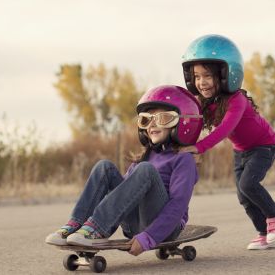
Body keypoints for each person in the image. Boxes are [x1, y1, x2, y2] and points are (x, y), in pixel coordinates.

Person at [45, 85, 203, 256]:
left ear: (184, 121)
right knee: (104, 167)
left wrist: (148, 238)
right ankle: (77, 224)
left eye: (162, 118)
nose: (151, 125)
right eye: (146, 119)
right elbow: (124, 195)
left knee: (146, 170)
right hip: (133, 225)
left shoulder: (183, 159)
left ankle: (97, 228)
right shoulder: (146, 156)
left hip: (166, 228)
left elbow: (177, 206)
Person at [180, 34, 275, 250]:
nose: (201, 82)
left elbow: (224, 129)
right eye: (197, 76)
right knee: (243, 196)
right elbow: (193, 123)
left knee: (248, 184)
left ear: (227, 74)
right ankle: (263, 232)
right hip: (241, 151)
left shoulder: (236, 100)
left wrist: (199, 147)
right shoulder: (206, 102)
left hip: (263, 146)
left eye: (207, 76)